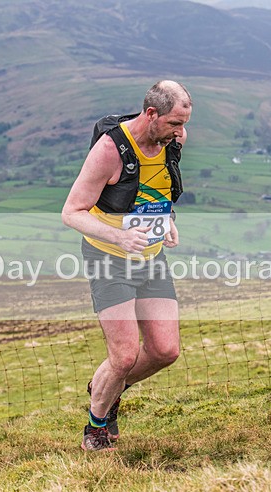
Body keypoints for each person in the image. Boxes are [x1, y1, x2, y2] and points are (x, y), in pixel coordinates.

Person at [62, 80, 192, 451]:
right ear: (151, 113)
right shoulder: (110, 151)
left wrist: (167, 219)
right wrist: (118, 237)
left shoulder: (172, 142)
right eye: (174, 123)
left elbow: (158, 189)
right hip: (108, 258)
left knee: (165, 351)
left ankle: (108, 388)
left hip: (151, 259)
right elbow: (71, 212)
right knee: (123, 356)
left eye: (184, 124)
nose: (180, 133)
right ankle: (96, 427)